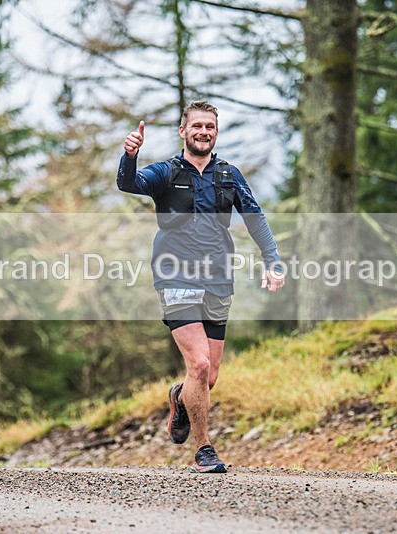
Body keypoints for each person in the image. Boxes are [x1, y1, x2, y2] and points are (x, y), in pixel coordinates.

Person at [117, 101, 284, 473]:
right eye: (197, 126)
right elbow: (128, 183)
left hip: (218, 278)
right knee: (199, 362)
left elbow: (255, 219)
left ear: (216, 132)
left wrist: (272, 260)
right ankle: (204, 450)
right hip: (175, 275)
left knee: (208, 378)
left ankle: (180, 397)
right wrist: (130, 155)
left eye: (210, 126)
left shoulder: (229, 174)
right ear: (183, 131)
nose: (203, 131)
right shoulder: (165, 172)